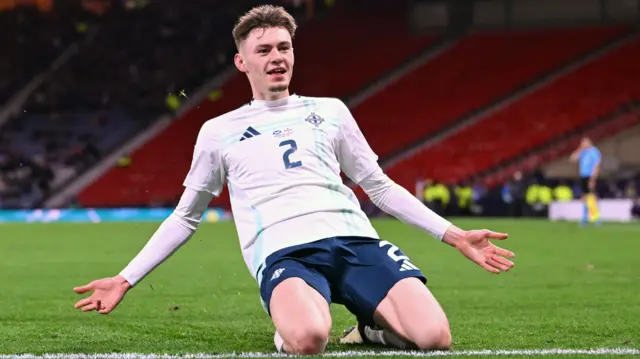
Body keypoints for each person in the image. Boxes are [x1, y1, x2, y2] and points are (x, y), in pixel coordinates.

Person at [72, 5, 515, 355]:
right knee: (308, 340)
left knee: (435, 338)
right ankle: (291, 331)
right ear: (241, 62)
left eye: (284, 47)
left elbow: (377, 186)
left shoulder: (330, 110)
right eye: (263, 50)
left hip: (356, 242)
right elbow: (186, 218)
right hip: (286, 253)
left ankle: (368, 332)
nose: (276, 57)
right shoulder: (219, 131)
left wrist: (453, 235)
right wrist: (125, 278)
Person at [570, 137, 601, 225]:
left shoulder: (594, 151)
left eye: (584, 143)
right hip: (583, 176)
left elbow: (596, 166)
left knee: (591, 196)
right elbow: (573, 158)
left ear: (589, 143)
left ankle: (596, 217)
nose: (583, 144)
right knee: (585, 197)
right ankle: (585, 217)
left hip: (590, 176)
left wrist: (593, 179)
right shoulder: (583, 151)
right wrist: (579, 149)